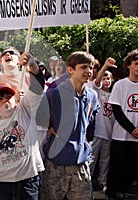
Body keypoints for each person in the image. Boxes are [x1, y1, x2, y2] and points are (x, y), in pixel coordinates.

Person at [0, 52, 45, 200]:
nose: (4, 100)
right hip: (1, 184)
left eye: (8, 97)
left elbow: (38, 86)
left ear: (15, 100)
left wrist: (32, 66)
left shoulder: (25, 110)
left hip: (27, 182)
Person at [40, 51, 100, 200]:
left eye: (91, 67)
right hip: (56, 164)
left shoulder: (92, 95)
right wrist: (48, 126)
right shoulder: (54, 94)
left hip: (80, 163)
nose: (88, 71)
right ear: (71, 69)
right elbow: (39, 116)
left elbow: (90, 119)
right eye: (83, 67)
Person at [106, 50, 138, 199]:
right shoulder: (120, 85)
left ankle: (123, 191)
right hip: (121, 135)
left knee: (132, 167)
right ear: (129, 65)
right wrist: (131, 128)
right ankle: (111, 192)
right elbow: (116, 109)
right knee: (116, 165)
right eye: (136, 63)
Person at [88, 58, 116, 192]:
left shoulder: (115, 95)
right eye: (104, 78)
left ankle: (102, 181)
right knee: (92, 158)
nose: (106, 81)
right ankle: (87, 181)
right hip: (97, 131)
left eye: (109, 79)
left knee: (105, 160)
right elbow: (96, 81)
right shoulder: (97, 92)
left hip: (109, 133)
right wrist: (105, 66)